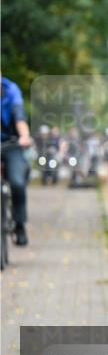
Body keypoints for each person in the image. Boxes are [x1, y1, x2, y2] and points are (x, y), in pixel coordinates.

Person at [1, 74, 33, 246]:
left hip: (11, 144)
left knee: (17, 183)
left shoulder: (11, 90)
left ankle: (19, 225)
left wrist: (24, 136)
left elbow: (19, 117)